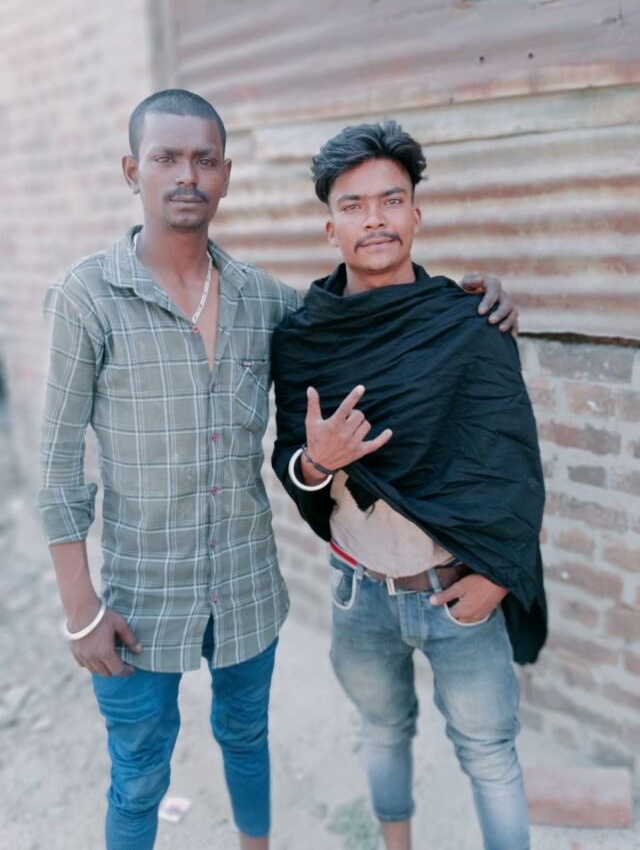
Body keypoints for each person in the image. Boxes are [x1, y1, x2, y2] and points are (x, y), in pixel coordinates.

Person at [38, 90, 519, 850]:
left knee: (247, 739)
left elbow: (358, 322)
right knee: (137, 775)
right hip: (139, 595)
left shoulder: (265, 302)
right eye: (166, 158)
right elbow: (59, 461)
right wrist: (80, 607)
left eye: (204, 160)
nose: (187, 175)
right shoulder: (87, 297)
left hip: (247, 591)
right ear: (133, 171)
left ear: (225, 175)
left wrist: (467, 297)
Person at [271, 120, 547, 850]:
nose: (375, 219)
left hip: (460, 592)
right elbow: (290, 459)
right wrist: (318, 461)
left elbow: (514, 465)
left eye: (391, 200)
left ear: (416, 215)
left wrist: (498, 574)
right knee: (383, 729)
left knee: (489, 752)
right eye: (354, 205)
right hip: (358, 591)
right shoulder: (304, 339)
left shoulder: (469, 323)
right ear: (331, 227)